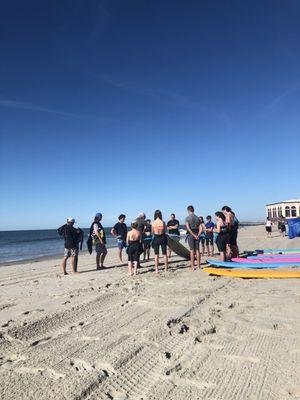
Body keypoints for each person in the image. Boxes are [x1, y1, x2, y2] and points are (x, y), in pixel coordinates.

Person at [185, 205, 202, 270]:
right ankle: (198, 266)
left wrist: (194, 235)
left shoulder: (187, 218)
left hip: (191, 235)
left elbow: (188, 228)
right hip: (197, 234)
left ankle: (192, 266)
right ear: (193, 210)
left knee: (192, 250)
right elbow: (201, 227)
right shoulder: (198, 218)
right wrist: (198, 235)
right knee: (197, 250)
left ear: (188, 210)